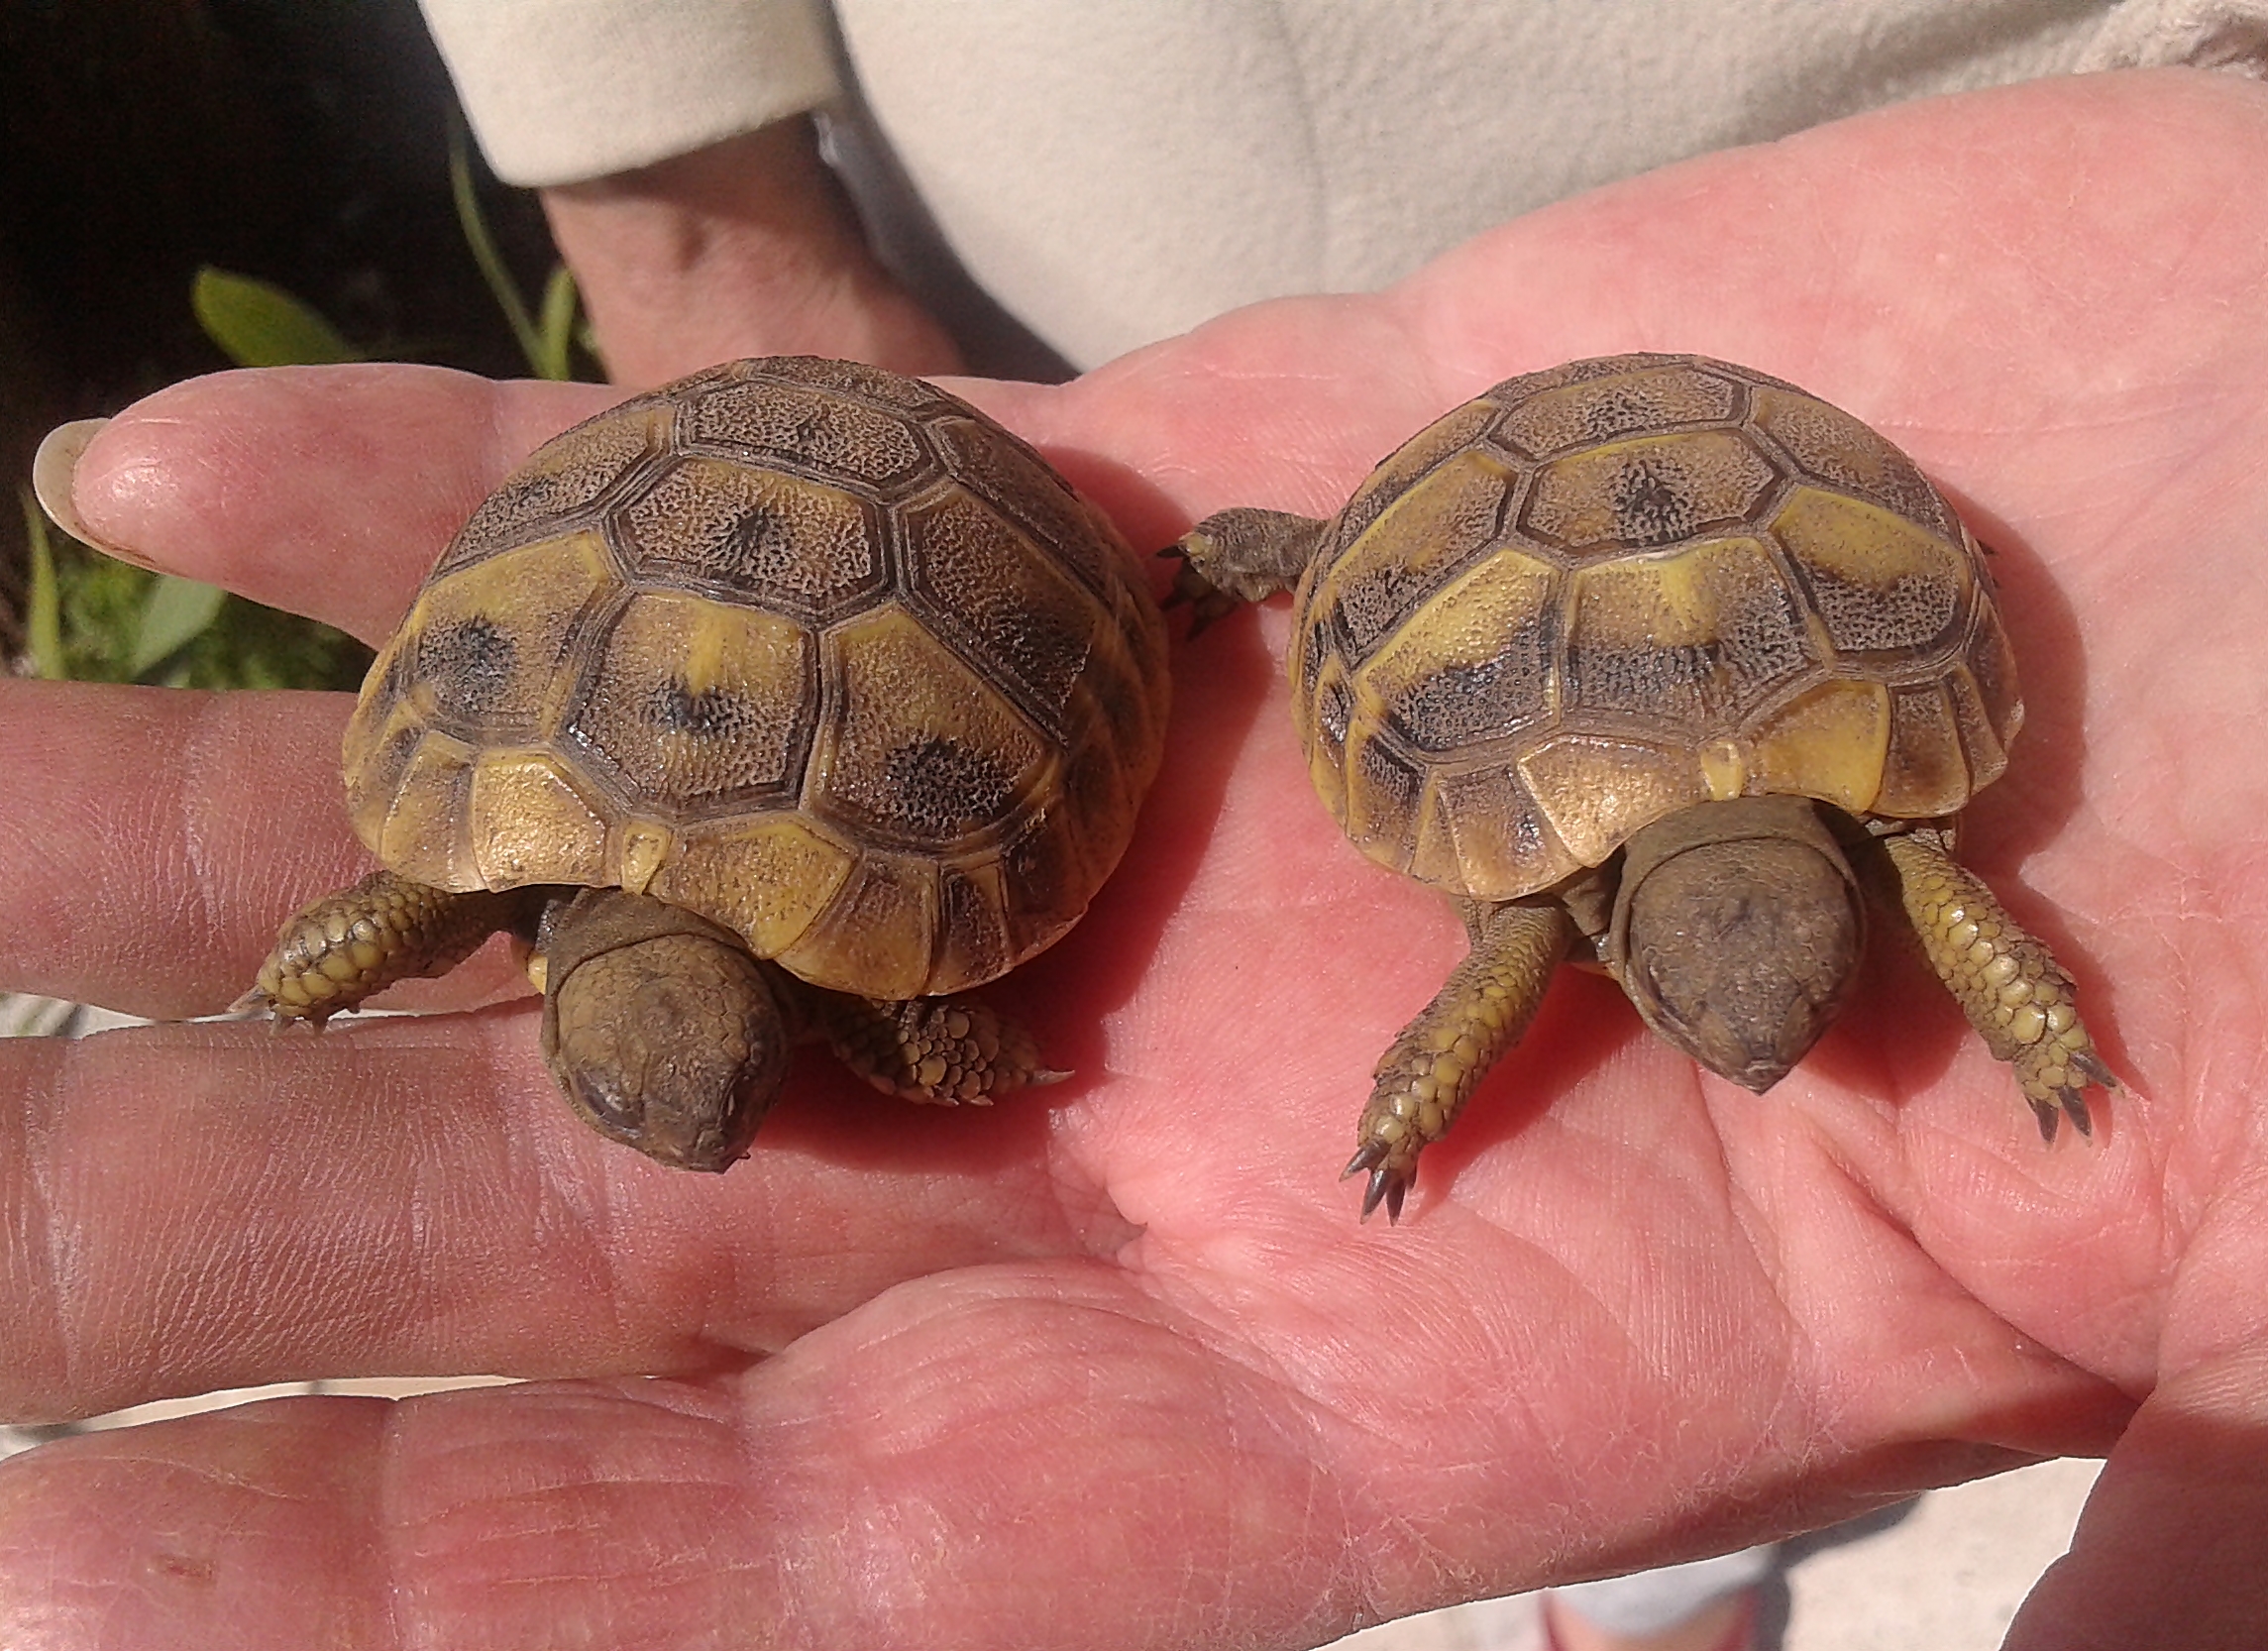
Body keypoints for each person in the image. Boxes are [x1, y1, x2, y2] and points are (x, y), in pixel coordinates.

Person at [4, 56, 2268, 1651]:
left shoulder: (1637, 896)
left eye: (1721, 1011)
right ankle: (1666, 1598)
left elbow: (1572, 959)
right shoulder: (568, 904)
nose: (1749, 1049)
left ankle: (1664, 1593)